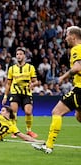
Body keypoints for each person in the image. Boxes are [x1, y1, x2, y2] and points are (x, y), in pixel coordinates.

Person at [32, 26, 81, 154]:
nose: (65, 38)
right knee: (79, 117)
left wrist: (62, 78)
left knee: (56, 111)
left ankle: (48, 145)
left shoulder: (77, 49)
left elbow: (77, 68)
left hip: (80, 89)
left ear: (73, 37)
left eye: (67, 35)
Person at [1, 48, 38, 138]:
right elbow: (8, 84)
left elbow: (36, 81)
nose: (19, 56)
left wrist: (33, 84)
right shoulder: (12, 69)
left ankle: (29, 130)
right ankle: (14, 131)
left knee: (28, 112)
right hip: (15, 93)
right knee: (13, 111)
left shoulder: (30, 67)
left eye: (21, 54)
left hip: (27, 93)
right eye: (17, 54)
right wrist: (5, 96)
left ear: (24, 56)